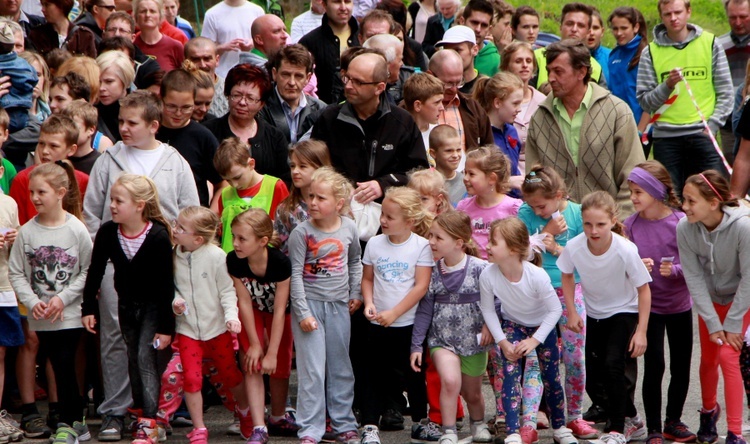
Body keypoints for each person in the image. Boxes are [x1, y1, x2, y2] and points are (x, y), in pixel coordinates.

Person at [82, 91, 198, 442]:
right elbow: (92, 213)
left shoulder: (174, 161)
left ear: (153, 125)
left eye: (132, 123)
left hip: (160, 265)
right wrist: (97, 265)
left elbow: (190, 211)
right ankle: (115, 411)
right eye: (120, 122)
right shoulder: (109, 159)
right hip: (117, 264)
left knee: (157, 338)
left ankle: (157, 409)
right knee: (116, 337)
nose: (124, 128)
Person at [82, 174, 175, 444]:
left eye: (118, 200)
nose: (112, 205)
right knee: (133, 357)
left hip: (153, 308)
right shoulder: (109, 232)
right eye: (111, 199)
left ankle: (150, 420)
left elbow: (166, 284)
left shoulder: (157, 235)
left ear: (139, 205)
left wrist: (166, 327)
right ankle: (139, 412)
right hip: (126, 305)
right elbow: (95, 271)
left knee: (146, 360)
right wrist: (89, 307)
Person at [557, 191, 652, 444]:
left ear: (612, 220)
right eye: (588, 224)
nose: (594, 230)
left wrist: (641, 331)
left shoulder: (625, 249)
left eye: (600, 224)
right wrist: (572, 311)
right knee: (597, 370)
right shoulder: (574, 246)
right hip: (595, 313)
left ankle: (618, 430)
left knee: (613, 364)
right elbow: (566, 274)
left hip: (625, 310)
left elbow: (644, 289)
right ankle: (633, 419)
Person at [8, 162, 92, 444]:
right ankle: (76, 420)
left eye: (41, 192)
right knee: (54, 363)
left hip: (68, 313)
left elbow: (87, 270)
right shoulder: (27, 232)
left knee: (64, 362)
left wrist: (63, 298)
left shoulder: (76, 229)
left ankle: (70, 422)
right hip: (40, 315)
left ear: (60, 193)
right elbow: (17, 272)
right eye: (32, 191)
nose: (34, 198)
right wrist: (32, 302)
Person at [517, 165, 599, 441]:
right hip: (536, 289)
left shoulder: (577, 213)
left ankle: (574, 415)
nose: (537, 211)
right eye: (533, 206)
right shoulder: (525, 213)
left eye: (541, 205)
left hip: (571, 290)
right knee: (535, 358)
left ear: (559, 195)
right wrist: (545, 232)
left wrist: (557, 247)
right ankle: (529, 419)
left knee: (575, 357)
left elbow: (587, 256)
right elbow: (518, 253)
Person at [479, 217, 578, 444]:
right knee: (510, 375)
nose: (487, 246)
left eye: (494, 242)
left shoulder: (536, 275)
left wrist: (534, 340)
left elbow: (555, 311)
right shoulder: (488, 274)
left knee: (551, 377)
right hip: (513, 325)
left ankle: (560, 428)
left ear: (513, 249)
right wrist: (503, 342)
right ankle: (513, 431)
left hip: (542, 327)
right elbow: (488, 310)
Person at [525, 40, 645, 215]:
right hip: (559, 227)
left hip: (609, 224)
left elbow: (633, 176)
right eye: (549, 71)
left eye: (558, 71)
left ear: (581, 72)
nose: (551, 78)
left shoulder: (617, 111)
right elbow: (534, 178)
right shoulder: (540, 117)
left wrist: (618, 223)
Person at [287, 167, 362, 444]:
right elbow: (295, 274)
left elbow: (355, 261)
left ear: (339, 204)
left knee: (341, 367)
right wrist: (303, 312)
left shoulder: (349, 227)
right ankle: (310, 428)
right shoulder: (301, 232)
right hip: (310, 308)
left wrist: (356, 292)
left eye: (321, 198)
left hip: (339, 306)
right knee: (312, 371)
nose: (313, 203)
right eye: (310, 196)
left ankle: (344, 424)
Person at [622, 161, 695, 444]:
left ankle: (673, 421)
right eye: (631, 192)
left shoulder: (680, 223)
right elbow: (623, 268)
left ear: (655, 191)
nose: (634, 198)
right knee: (654, 366)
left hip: (679, 306)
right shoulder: (630, 226)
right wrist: (636, 266)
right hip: (648, 309)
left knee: (681, 366)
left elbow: (695, 265)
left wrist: (675, 270)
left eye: (639, 191)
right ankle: (653, 427)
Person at [677, 171, 750, 444]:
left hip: (741, 300)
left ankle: (734, 432)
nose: (684, 207)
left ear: (713, 202)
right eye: (684, 199)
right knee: (708, 359)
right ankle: (709, 411)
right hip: (711, 301)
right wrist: (711, 320)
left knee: (728, 358)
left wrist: (731, 323)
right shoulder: (685, 228)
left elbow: (749, 278)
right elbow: (693, 277)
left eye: (691, 201)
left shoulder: (743, 227)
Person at [169, 206, 250, 443]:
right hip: (188, 330)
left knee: (230, 375)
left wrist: (231, 317)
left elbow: (227, 291)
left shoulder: (216, 257)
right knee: (192, 379)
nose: (175, 230)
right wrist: (175, 302)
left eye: (181, 228)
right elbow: (172, 287)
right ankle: (199, 427)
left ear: (198, 238)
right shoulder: (174, 255)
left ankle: (244, 413)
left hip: (218, 329)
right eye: (176, 224)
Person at [636, 0, 733, 194]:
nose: (673, 18)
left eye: (678, 12)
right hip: (666, 139)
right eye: (667, 14)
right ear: (661, 17)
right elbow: (645, 100)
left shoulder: (710, 43)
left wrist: (712, 125)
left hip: (702, 135)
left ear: (688, 11)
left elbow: (726, 92)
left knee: (713, 196)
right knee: (671, 200)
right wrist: (667, 86)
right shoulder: (650, 52)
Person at [360, 187, 433, 444]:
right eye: (383, 213)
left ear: (409, 221)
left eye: (390, 217)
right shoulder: (374, 243)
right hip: (377, 323)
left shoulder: (421, 246)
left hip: (408, 324)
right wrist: (368, 303)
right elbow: (367, 278)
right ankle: (369, 425)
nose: (383, 220)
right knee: (373, 373)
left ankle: (420, 423)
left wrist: (395, 313)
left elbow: (421, 286)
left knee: (413, 373)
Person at [410, 211, 489, 444]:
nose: (431, 242)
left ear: (458, 243)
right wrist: (416, 345)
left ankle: (478, 423)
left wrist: (489, 326)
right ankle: (449, 430)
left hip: (474, 341)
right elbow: (424, 311)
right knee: (450, 382)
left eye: (438, 237)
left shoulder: (480, 268)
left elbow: (494, 301)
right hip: (441, 340)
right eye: (430, 236)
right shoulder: (431, 272)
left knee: (472, 393)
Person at [311, 51, 429, 204]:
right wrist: (341, 187)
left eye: (358, 82)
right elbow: (313, 166)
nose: (348, 86)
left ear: (379, 88)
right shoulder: (328, 119)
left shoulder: (402, 122)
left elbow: (419, 173)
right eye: (347, 78)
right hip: (338, 210)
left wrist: (383, 184)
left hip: (389, 212)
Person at [227, 208, 299, 439]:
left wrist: (272, 352)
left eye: (242, 238)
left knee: (278, 364)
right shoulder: (235, 261)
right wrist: (256, 345)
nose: (235, 243)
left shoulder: (280, 262)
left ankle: (277, 416)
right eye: (234, 237)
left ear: (263, 241)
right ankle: (259, 426)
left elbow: (280, 311)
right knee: (252, 361)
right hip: (254, 312)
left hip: (280, 314)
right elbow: (244, 304)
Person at [202, 63, 292, 186]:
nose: (242, 102)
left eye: (250, 98)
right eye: (237, 95)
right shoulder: (208, 132)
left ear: (262, 104)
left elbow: (284, 181)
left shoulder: (275, 137)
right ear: (228, 95)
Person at [156, 65, 223, 209]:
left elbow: (223, 183)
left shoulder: (203, 136)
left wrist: (211, 214)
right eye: (172, 106)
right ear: (160, 99)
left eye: (186, 107)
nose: (178, 113)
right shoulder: (150, 129)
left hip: (192, 217)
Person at [9, 115, 90, 225]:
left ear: (72, 149)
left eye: (53, 146)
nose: (45, 151)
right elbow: (17, 225)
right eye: (41, 144)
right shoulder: (22, 179)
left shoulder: (84, 181)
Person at [212, 137, 288, 252]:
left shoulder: (275, 186)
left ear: (251, 164)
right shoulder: (225, 194)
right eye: (228, 180)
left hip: (265, 260)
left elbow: (286, 228)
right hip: (230, 261)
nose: (234, 184)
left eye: (237, 177)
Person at [427, 49, 493, 171]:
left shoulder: (473, 109)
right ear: (430, 75)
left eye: (459, 82)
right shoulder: (413, 109)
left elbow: (489, 152)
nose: (454, 89)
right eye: (448, 83)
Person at [456, 147, 521, 259]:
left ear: (491, 178)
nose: (465, 178)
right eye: (464, 172)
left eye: (471, 174)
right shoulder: (463, 207)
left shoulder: (514, 208)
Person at [258, 44, 326, 145]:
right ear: (274, 74)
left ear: (308, 78)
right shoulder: (260, 106)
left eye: (298, 76)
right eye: (286, 74)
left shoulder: (321, 109)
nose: (292, 82)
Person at [273, 139, 330, 255]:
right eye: (292, 166)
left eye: (302, 166)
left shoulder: (336, 204)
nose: (295, 171)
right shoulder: (285, 210)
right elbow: (281, 252)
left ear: (320, 168)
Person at [472, 72, 524, 197]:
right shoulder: (480, 134)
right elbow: (476, 177)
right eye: (515, 103)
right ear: (497, 103)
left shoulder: (511, 130)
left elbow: (514, 169)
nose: (520, 108)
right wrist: (509, 182)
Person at [0, 148, 22, 444]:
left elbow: (18, 253)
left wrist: (16, 238)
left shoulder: (9, 204)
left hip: (5, 287)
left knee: (2, 351)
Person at [533, 3, 607, 89]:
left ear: (588, 32)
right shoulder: (537, 57)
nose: (574, 29)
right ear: (561, 27)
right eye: (569, 24)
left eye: (580, 25)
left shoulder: (596, 67)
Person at [299, 0, 360, 104]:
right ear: (324, 5)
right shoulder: (309, 42)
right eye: (336, 2)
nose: (343, 7)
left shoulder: (363, 37)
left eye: (347, 1)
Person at [608, 7, 650, 152]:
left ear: (636, 27)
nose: (619, 33)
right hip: (618, 127)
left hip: (640, 129)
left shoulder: (647, 53)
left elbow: (651, 98)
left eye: (624, 28)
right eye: (615, 28)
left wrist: (640, 129)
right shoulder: (613, 55)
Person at [499, 41, 544, 174]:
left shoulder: (544, 101)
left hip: (536, 175)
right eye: (518, 61)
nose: (525, 65)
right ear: (507, 66)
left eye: (529, 61)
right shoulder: (497, 102)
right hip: (505, 175)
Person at [718, 0, 750, 163]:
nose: (738, 23)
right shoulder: (719, 45)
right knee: (732, 161)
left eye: (743, 17)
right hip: (729, 120)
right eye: (733, 18)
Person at [101, 12, 163, 90]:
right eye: (112, 30)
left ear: (133, 38)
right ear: (103, 35)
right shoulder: (94, 62)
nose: (117, 34)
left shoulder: (147, 66)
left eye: (122, 31)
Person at [200, 0, 262, 78]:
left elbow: (265, 40)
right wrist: (223, 47)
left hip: (253, 72)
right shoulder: (212, 14)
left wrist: (252, 43)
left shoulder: (257, 11)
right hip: (223, 75)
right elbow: (204, 49)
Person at [27, 0, 97, 57]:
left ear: (61, 5)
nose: (43, 9)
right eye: (42, 5)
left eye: (47, 5)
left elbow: (91, 68)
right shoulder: (37, 35)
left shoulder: (84, 36)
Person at [403, 72, 444, 165]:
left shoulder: (441, 134)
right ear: (418, 105)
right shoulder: (400, 137)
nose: (442, 108)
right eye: (436, 102)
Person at [0, 24, 35, 133]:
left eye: (18, 46)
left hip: (17, 111)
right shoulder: (26, 68)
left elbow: (36, 132)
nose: (15, 51)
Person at [132, 0, 184, 72]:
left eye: (152, 11)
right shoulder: (131, 46)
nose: (147, 15)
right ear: (135, 17)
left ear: (161, 16)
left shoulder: (175, 46)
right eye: (143, 11)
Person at [184, 37, 228, 118]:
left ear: (217, 60)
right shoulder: (177, 88)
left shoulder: (229, 89)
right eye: (196, 59)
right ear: (186, 61)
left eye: (207, 59)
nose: (202, 65)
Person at [95, 50, 133, 142]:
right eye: (98, 81)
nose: (101, 88)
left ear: (125, 80)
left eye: (109, 81)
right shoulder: (89, 110)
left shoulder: (139, 108)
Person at [433, 26, 481, 95]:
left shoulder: (484, 88)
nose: (452, 56)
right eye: (447, 51)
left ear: (475, 50)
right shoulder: (436, 88)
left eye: (457, 50)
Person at [457, 0, 498, 77]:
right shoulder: (449, 52)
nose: (478, 29)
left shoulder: (496, 62)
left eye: (484, 25)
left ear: (489, 29)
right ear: (462, 21)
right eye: (474, 22)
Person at [62, 101, 103, 174]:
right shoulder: (59, 158)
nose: (68, 130)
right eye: (65, 125)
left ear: (91, 130)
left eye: (74, 126)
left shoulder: (101, 163)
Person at [429, 124, 465, 206]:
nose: (455, 155)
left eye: (458, 150)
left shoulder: (466, 181)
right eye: (449, 151)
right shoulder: (424, 182)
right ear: (433, 153)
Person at [19, 51, 50, 124]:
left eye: (38, 75)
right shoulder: (6, 111)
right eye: (28, 74)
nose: (34, 80)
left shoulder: (51, 112)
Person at [586, 8, 610, 85]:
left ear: (602, 31)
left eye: (595, 28)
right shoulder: (570, 57)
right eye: (587, 28)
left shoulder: (612, 57)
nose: (591, 32)